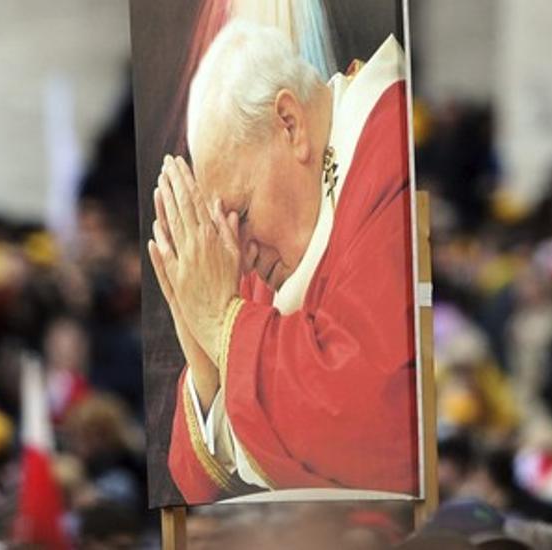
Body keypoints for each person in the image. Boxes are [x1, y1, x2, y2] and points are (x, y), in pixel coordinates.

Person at [147, 20, 417, 501]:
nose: (242, 257)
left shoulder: (395, 144)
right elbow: (198, 485)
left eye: (244, 214)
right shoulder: (271, 257)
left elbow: (381, 417)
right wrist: (205, 361)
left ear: (289, 124)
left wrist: (219, 320)